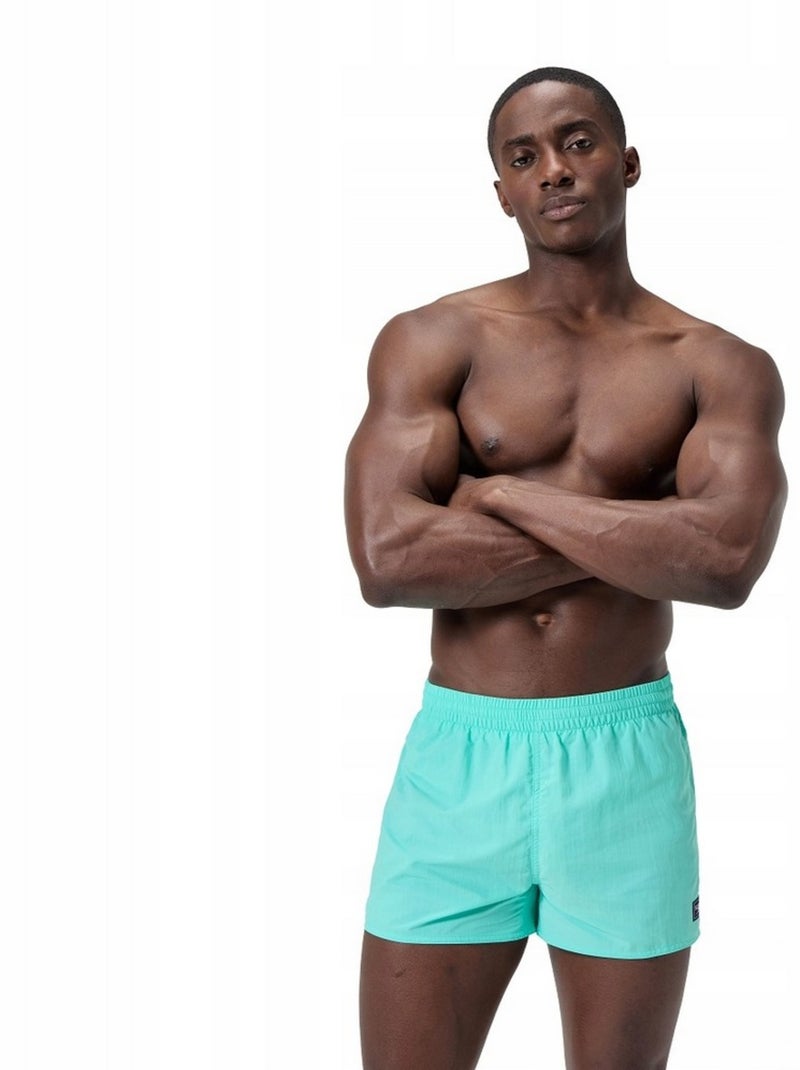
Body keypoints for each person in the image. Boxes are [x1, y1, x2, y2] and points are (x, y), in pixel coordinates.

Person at [344, 66, 787, 1070]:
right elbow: (387, 557)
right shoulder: (432, 340)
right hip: (460, 757)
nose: (553, 168)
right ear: (501, 191)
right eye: (523, 156)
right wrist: (643, 534)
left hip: (624, 758)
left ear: (627, 163)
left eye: (577, 141)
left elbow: (723, 561)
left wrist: (499, 492)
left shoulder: (716, 363)